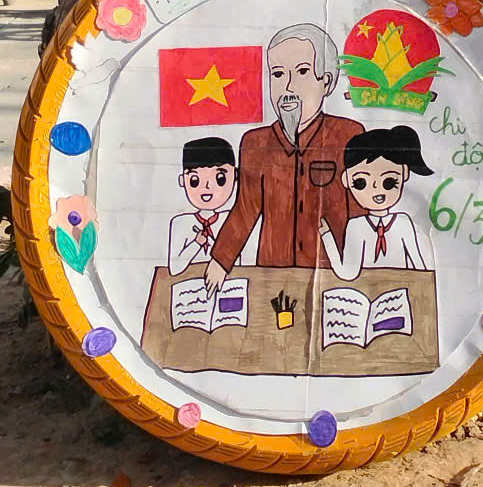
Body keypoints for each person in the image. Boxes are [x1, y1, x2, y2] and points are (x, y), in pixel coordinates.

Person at [204, 23, 363, 294]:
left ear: (325, 81)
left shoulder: (348, 135)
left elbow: (361, 211)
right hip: (272, 276)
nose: (287, 86)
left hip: (335, 277)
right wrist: (221, 260)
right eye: (278, 74)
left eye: (302, 72)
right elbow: (245, 210)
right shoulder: (255, 143)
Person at [319, 126, 432, 279]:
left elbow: (419, 267)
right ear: (346, 180)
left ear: (404, 173)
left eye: (389, 182)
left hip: (402, 290)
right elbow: (348, 273)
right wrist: (327, 237)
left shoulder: (404, 223)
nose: (376, 189)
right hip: (366, 292)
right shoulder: (356, 225)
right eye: (360, 183)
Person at [168, 136, 237, 275]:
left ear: (235, 176)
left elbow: (240, 262)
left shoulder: (231, 219)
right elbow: (174, 269)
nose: (207, 187)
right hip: (188, 285)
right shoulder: (181, 223)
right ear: (182, 180)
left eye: (220, 179)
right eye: (195, 181)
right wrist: (196, 244)